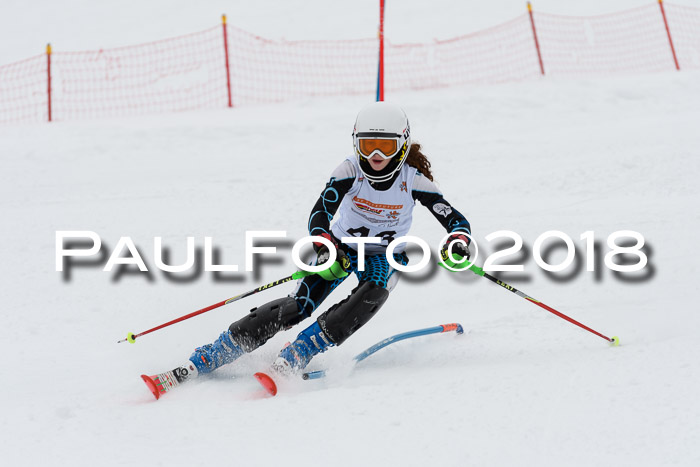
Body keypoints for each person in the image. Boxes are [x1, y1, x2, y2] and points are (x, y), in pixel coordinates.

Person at [142, 102, 472, 398]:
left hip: (384, 254)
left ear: (401, 144)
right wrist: (324, 241)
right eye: (368, 145)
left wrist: (458, 239)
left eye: (385, 147)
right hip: (341, 247)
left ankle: (300, 351)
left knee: (372, 291)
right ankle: (216, 352)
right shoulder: (350, 171)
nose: (376, 156)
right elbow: (320, 213)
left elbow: (453, 218)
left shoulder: (412, 180)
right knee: (298, 306)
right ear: (356, 142)